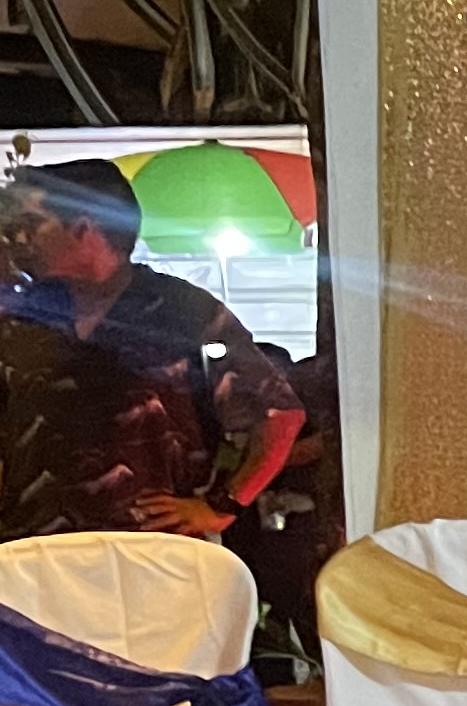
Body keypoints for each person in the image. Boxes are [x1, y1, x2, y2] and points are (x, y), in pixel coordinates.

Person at [0, 158, 303, 544]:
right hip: (35, 554)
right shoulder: (22, 318)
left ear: (83, 227)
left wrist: (221, 506)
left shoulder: (182, 309)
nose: (18, 239)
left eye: (31, 225)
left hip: (156, 550)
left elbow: (280, 414)